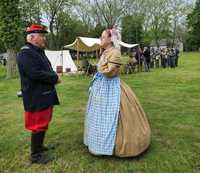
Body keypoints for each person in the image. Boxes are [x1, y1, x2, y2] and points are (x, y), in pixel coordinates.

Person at [84, 29, 151, 157]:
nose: (100, 39)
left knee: (114, 115)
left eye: (102, 37)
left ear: (110, 39)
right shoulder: (106, 52)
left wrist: (103, 61)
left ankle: (116, 145)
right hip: (101, 87)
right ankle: (97, 144)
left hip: (111, 87)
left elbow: (109, 72)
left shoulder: (115, 53)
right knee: (99, 116)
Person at [17, 25, 62, 164]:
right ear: (32, 37)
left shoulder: (37, 51)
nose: (44, 38)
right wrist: (55, 78)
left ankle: (39, 147)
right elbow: (35, 73)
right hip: (36, 95)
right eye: (41, 36)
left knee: (43, 122)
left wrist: (53, 75)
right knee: (38, 124)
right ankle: (35, 155)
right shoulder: (26, 52)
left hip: (43, 93)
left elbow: (47, 68)